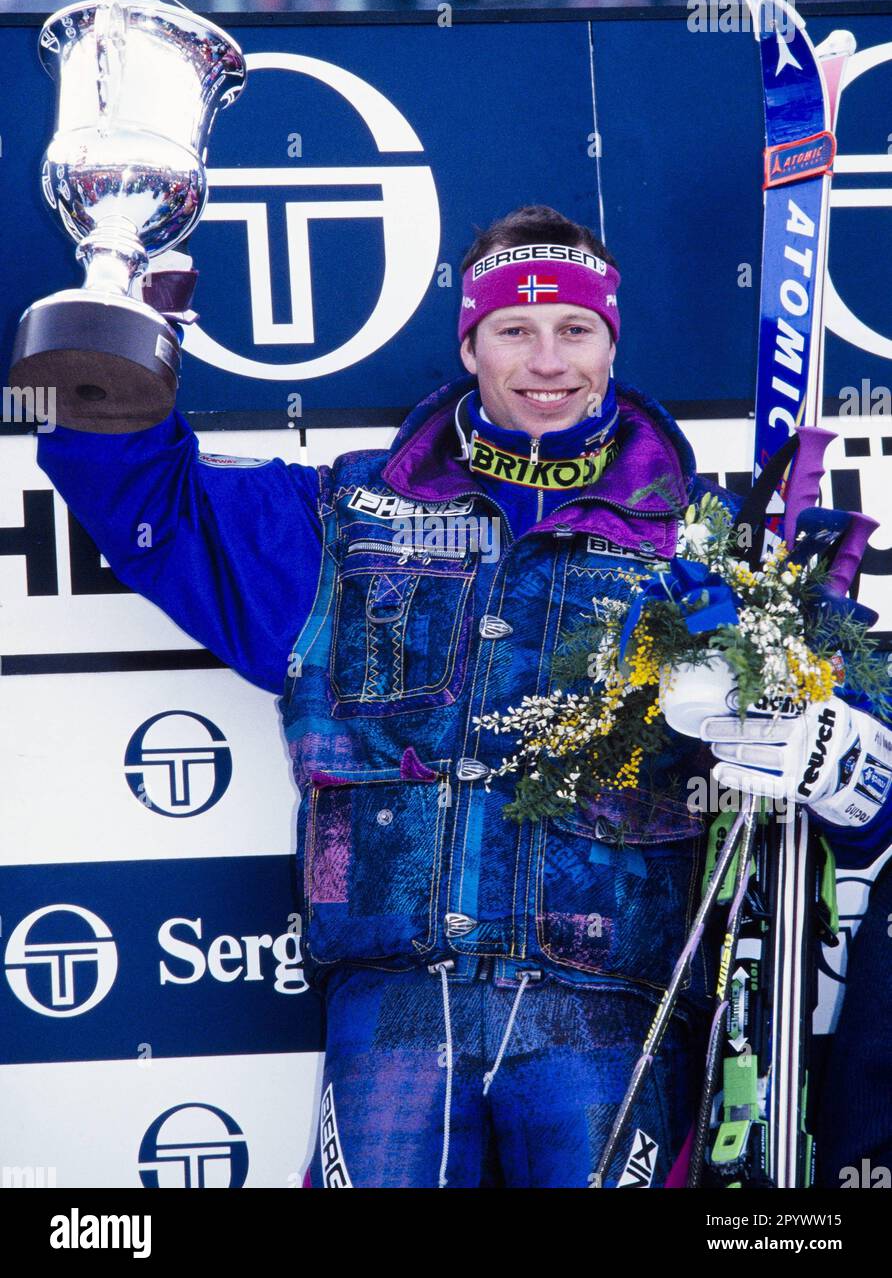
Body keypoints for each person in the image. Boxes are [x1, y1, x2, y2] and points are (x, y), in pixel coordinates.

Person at [34, 205, 892, 1188]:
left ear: (611, 341)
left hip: (608, 1014)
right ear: (470, 341)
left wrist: (846, 758)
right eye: (514, 330)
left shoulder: (704, 557)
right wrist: (118, 345)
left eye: (575, 329)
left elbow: (865, 788)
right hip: (395, 1005)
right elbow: (154, 505)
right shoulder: (347, 522)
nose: (547, 358)